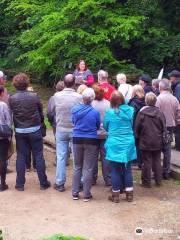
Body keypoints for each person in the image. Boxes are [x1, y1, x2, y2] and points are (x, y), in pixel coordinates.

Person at [9, 73, 50, 191]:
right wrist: (41, 123)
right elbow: (41, 112)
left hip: (20, 131)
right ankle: (43, 183)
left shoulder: (12, 98)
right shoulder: (34, 96)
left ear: (15, 84)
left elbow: (12, 113)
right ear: (27, 83)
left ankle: (20, 184)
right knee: (38, 155)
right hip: (34, 129)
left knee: (21, 156)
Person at [103, 91, 136, 203]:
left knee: (115, 169)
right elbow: (131, 125)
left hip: (114, 142)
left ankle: (116, 195)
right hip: (128, 141)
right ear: (123, 100)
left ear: (111, 101)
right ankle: (129, 194)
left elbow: (106, 126)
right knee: (127, 168)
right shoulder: (130, 111)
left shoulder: (109, 112)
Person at [53, 74, 82, 192]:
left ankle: (60, 183)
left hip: (61, 129)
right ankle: (79, 182)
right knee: (77, 157)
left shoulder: (56, 96)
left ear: (64, 83)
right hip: (74, 130)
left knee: (61, 157)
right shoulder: (78, 97)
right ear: (74, 83)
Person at [71, 88, 100, 201]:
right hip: (91, 140)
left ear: (82, 98)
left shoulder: (74, 110)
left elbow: (73, 122)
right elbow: (97, 126)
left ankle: (75, 192)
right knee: (88, 168)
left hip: (77, 138)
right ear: (92, 99)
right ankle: (86, 194)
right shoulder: (95, 112)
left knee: (77, 166)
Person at [135, 92, 165, 188]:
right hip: (157, 140)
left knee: (147, 161)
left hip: (145, 140)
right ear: (155, 101)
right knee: (157, 160)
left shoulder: (141, 113)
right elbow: (164, 127)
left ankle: (146, 182)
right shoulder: (160, 113)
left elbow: (137, 127)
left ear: (146, 101)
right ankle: (158, 180)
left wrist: (137, 137)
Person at [156, 78, 180, 179]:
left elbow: (155, 113)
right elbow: (178, 114)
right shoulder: (175, 99)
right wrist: (176, 123)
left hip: (158, 128)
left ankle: (158, 173)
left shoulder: (158, 99)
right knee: (167, 149)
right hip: (170, 127)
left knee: (157, 150)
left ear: (160, 87)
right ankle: (166, 172)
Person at [92, 84, 111, 186]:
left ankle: (92, 178)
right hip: (105, 134)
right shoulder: (108, 104)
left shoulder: (90, 104)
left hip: (93, 134)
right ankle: (108, 179)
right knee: (105, 157)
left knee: (93, 157)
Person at [128, 85, 146, 169]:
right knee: (142, 144)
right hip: (145, 126)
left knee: (135, 144)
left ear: (134, 92)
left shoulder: (133, 102)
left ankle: (136, 161)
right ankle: (142, 161)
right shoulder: (146, 100)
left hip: (135, 125)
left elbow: (131, 115)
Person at [0, 86, 12, 191]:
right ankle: (2, 183)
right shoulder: (3, 105)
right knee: (2, 159)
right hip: (2, 136)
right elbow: (8, 121)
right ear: (2, 93)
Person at [168, 70, 180, 151]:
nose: (169, 78)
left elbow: (178, 100)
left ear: (174, 77)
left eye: (170, 77)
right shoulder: (177, 85)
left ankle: (178, 146)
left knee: (178, 129)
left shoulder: (178, 86)